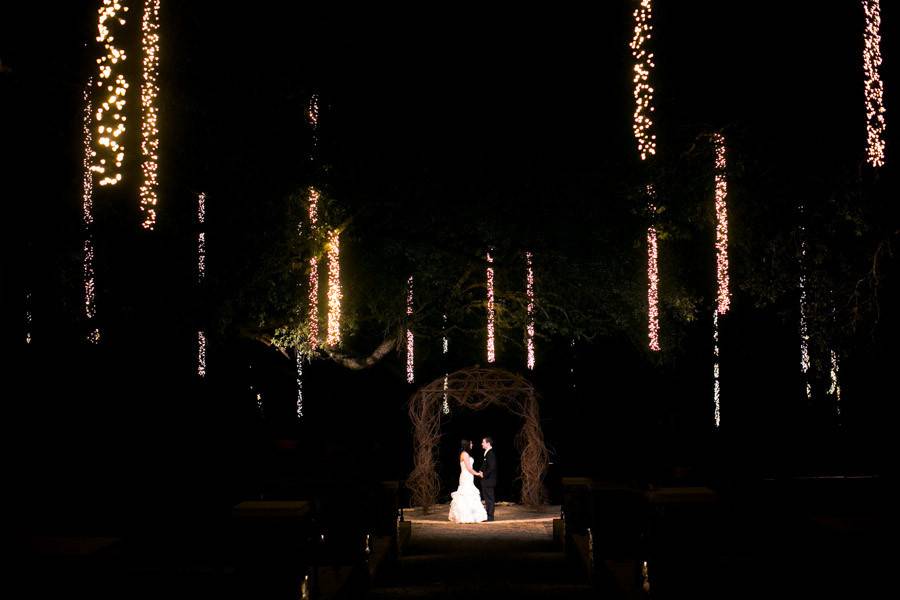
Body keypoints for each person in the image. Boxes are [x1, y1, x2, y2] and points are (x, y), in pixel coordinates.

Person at [448, 439, 488, 523]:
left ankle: (474, 515)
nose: (472, 445)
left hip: (469, 477)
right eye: (471, 443)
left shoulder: (466, 454)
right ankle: (465, 516)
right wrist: (477, 474)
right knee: (465, 493)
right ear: (467, 445)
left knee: (470, 493)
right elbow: (469, 468)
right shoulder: (464, 454)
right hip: (466, 476)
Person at [477, 436, 498, 521]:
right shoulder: (487, 453)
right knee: (487, 498)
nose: (482, 444)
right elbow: (485, 465)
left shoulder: (491, 453)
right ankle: (488, 515)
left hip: (489, 480)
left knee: (489, 498)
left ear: (488, 443)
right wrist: (480, 471)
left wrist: (484, 474)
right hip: (487, 480)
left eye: (483, 442)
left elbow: (492, 467)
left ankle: (490, 516)